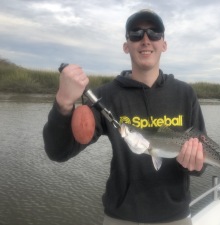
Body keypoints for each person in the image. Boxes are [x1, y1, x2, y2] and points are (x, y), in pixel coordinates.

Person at [43, 9, 206, 225]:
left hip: (175, 217)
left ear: (164, 44)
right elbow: (59, 152)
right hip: (121, 217)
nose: (146, 40)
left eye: (154, 33)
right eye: (136, 34)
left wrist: (194, 163)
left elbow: (200, 164)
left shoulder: (185, 94)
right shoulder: (105, 96)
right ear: (126, 46)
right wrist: (63, 104)